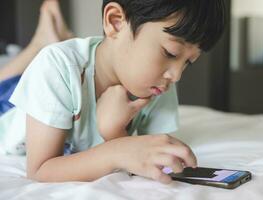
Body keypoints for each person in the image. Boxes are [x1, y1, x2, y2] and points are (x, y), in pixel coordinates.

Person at [0, 0, 226, 184]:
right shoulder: (56, 66)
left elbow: (141, 154)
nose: (176, 76)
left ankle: (52, 41)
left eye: (188, 62)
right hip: (9, 110)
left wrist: (114, 131)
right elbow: (40, 170)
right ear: (116, 22)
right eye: (170, 53)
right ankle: (38, 45)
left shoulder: (159, 83)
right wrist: (116, 151)